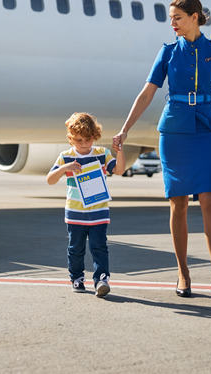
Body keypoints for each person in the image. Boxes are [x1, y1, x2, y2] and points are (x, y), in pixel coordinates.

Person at [112, 0, 211, 300]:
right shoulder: (168, 52)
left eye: (177, 18)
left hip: (207, 130)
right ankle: (183, 272)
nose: (172, 24)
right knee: (178, 202)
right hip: (174, 132)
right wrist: (125, 129)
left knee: (210, 200)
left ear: (195, 17)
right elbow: (146, 93)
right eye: (171, 18)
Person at [47, 112, 126, 297]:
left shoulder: (101, 154)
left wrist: (119, 151)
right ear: (71, 138)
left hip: (99, 211)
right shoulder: (66, 156)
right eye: (79, 140)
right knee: (75, 249)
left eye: (88, 139)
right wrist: (65, 168)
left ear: (95, 137)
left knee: (100, 247)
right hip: (75, 212)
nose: (84, 144)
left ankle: (101, 280)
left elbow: (120, 170)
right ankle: (77, 278)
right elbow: (50, 180)